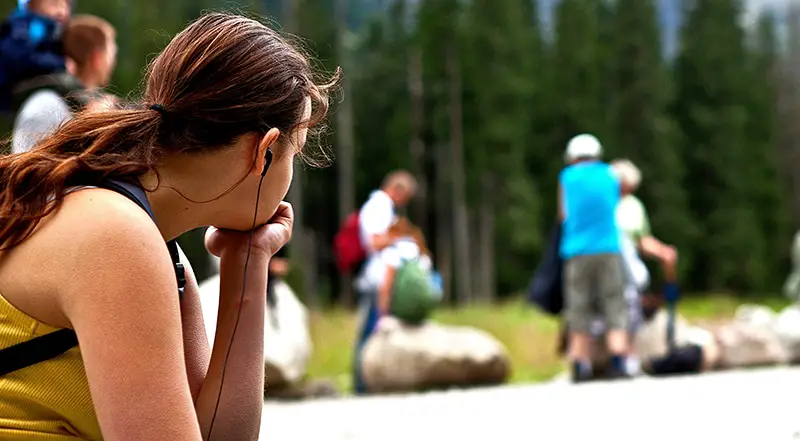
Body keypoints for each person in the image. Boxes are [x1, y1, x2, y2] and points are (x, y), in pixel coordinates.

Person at [0, 12, 335, 441]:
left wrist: (246, 263)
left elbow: (218, 436)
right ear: (264, 152)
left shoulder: (157, 248)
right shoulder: (117, 237)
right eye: (295, 154)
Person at [558, 133, 629, 382]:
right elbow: (615, 204)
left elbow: (563, 214)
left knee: (578, 306)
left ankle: (580, 364)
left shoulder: (567, 177)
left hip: (577, 250)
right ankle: (618, 360)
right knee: (614, 303)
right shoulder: (611, 175)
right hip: (609, 248)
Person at [12, 14, 117, 154]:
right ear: (97, 57)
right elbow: (27, 171)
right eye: (112, 54)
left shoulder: (101, 107)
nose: (114, 61)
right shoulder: (45, 105)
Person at [352, 217, 434, 394]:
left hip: (393, 305)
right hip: (414, 308)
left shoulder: (393, 252)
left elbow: (386, 285)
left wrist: (382, 312)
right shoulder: (419, 250)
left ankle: (361, 385)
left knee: (366, 338)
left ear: (394, 233)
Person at [0, 0, 72, 113]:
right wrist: (60, 63)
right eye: (54, 4)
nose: (61, 11)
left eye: (65, 6)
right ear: (32, 4)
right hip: (12, 91)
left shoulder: (53, 30)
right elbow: (20, 58)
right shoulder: (27, 26)